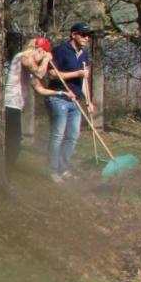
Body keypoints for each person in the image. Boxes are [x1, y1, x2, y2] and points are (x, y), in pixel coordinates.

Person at [46, 22, 94, 182]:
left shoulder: (84, 54)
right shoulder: (60, 51)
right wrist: (77, 73)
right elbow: (52, 74)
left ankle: (63, 168)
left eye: (88, 36)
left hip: (75, 101)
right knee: (58, 136)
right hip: (58, 98)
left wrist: (88, 101)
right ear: (73, 34)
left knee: (73, 136)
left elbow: (84, 81)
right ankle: (53, 171)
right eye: (83, 34)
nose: (87, 38)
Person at [3, 36, 52, 175]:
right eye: (42, 53)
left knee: (15, 141)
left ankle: (7, 171)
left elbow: (39, 88)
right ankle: (6, 172)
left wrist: (61, 93)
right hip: (9, 104)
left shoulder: (29, 67)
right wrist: (47, 60)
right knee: (13, 141)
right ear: (37, 49)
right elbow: (40, 73)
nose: (42, 57)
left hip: (17, 106)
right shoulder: (24, 57)